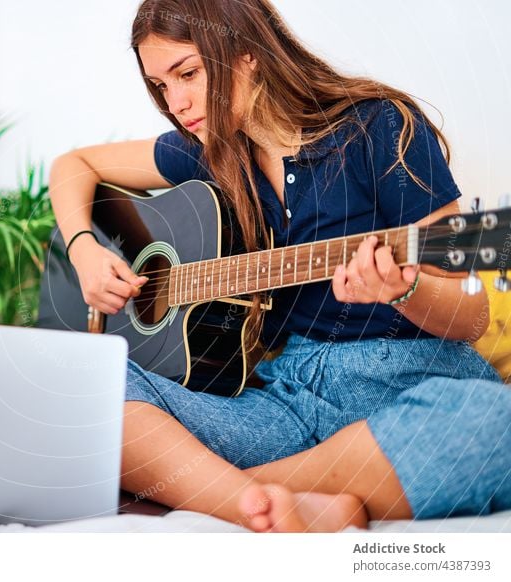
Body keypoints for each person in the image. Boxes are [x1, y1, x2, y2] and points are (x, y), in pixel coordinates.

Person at [48, 0, 511, 532]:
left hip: (406, 380)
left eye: (188, 74)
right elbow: (73, 166)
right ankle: (271, 498)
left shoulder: (381, 127)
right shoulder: (210, 150)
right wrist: (83, 247)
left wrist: (403, 291)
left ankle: (227, 490)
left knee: (494, 424)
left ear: (246, 52)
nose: (176, 102)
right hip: (283, 399)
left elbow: (471, 318)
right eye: (160, 87)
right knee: (84, 383)